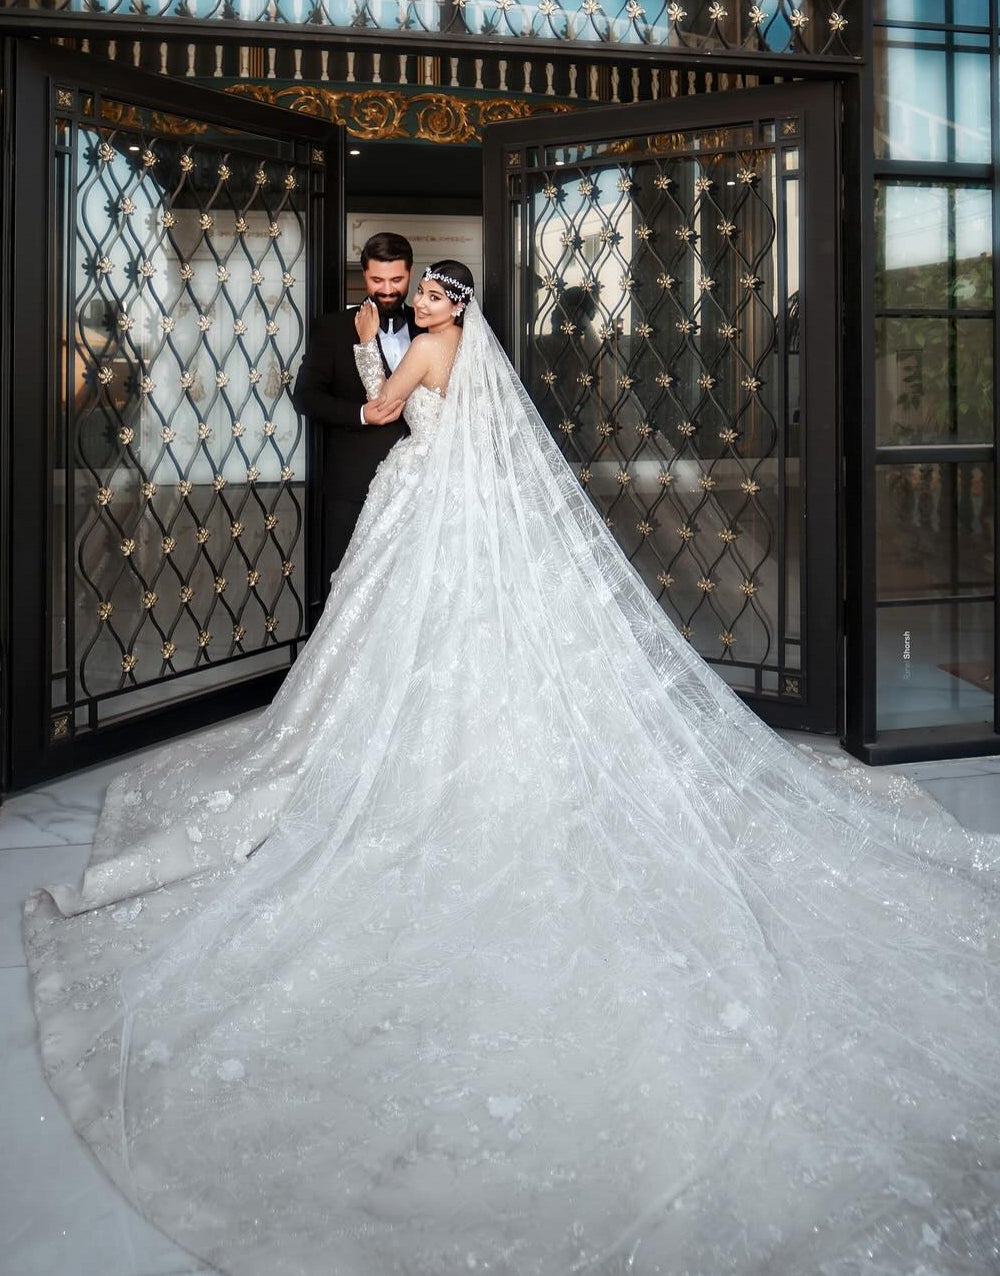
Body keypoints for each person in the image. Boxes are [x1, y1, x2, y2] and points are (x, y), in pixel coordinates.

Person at [23, 263, 1000, 1276]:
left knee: (404, 638)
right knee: (457, 633)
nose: (424, 306)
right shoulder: (472, 354)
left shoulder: (427, 347)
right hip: (459, 503)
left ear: (450, 306)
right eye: (420, 297)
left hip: (420, 505)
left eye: (433, 297)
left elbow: (381, 405)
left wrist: (371, 349)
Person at [292, 229, 422, 581]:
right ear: (364, 275)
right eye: (377, 279)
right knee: (349, 586)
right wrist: (360, 414)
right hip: (352, 485)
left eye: (397, 279)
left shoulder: (428, 328)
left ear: (410, 273)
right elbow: (305, 396)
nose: (387, 289)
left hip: (420, 485)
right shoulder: (333, 328)